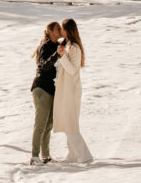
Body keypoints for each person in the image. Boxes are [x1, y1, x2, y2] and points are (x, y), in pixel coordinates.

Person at [53, 18, 93, 164]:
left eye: (62, 28)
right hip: (66, 88)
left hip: (71, 89)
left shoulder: (74, 48)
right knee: (67, 121)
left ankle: (84, 155)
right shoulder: (68, 46)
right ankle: (73, 154)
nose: (61, 31)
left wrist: (62, 55)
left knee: (70, 122)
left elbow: (72, 70)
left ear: (67, 30)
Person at [29, 21, 62, 165]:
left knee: (49, 124)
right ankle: (34, 157)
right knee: (41, 124)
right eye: (57, 28)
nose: (60, 30)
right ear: (50, 31)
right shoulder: (46, 46)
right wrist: (57, 54)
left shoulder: (58, 46)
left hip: (51, 88)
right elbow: (44, 65)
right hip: (41, 87)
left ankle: (46, 155)